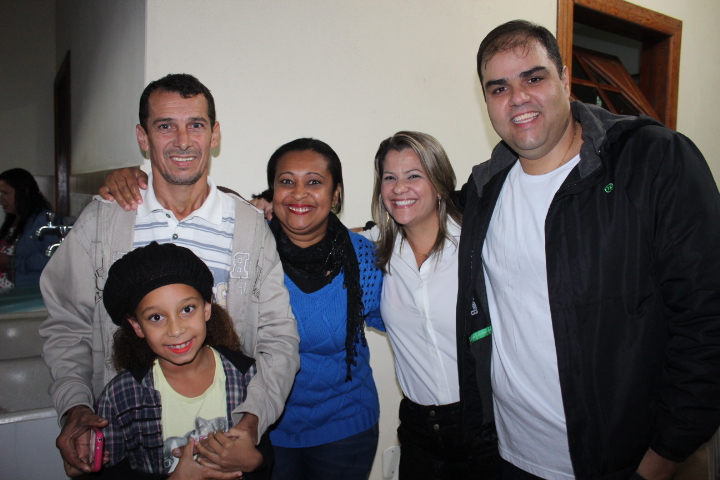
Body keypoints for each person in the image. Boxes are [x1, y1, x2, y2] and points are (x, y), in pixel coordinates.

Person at [456, 20, 720, 480]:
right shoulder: (484, 189)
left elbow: (706, 318)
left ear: (564, 79)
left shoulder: (654, 160)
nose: (517, 98)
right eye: (499, 88)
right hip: (510, 456)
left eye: (533, 78)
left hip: (629, 462)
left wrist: (663, 457)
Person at [39, 73, 299, 477]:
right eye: (165, 126)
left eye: (195, 125)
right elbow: (67, 325)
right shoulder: (104, 221)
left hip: (225, 446)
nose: (182, 141)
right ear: (143, 137)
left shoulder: (248, 227)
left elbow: (278, 338)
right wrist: (75, 407)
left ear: (214, 134)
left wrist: (251, 422)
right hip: (126, 446)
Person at [101, 138, 385, 480]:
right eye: (286, 181)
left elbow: (403, 321)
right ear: (272, 192)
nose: (299, 193)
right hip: (259, 425)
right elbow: (204, 206)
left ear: (336, 194)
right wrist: (137, 179)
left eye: (314, 182)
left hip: (344, 429)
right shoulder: (246, 247)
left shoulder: (362, 259)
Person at [366, 131, 499, 480]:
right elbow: (316, 237)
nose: (399, 188)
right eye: (389, 178)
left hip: (486, 425)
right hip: (418, 430)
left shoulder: (476, 244)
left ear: (439, 183)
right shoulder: (375, 253)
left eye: (413, 175)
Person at [94, 241, 271, 479]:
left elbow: (264, 450)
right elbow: (109, 472)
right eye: (156, 317)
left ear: (206, 308)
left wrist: (256, 462)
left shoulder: (248, 377)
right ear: (136, 326)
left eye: (187, 309)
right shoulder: (120, 396)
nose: (176, 330)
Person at [0, 168, 58, 291]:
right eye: (1, 194)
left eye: (6, 193)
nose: (2, 199)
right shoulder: (13, 219)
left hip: (27, 292)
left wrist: (10, 262)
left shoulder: (44, 220)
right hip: (8, 291)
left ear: (24, 191)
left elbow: (51, 258)